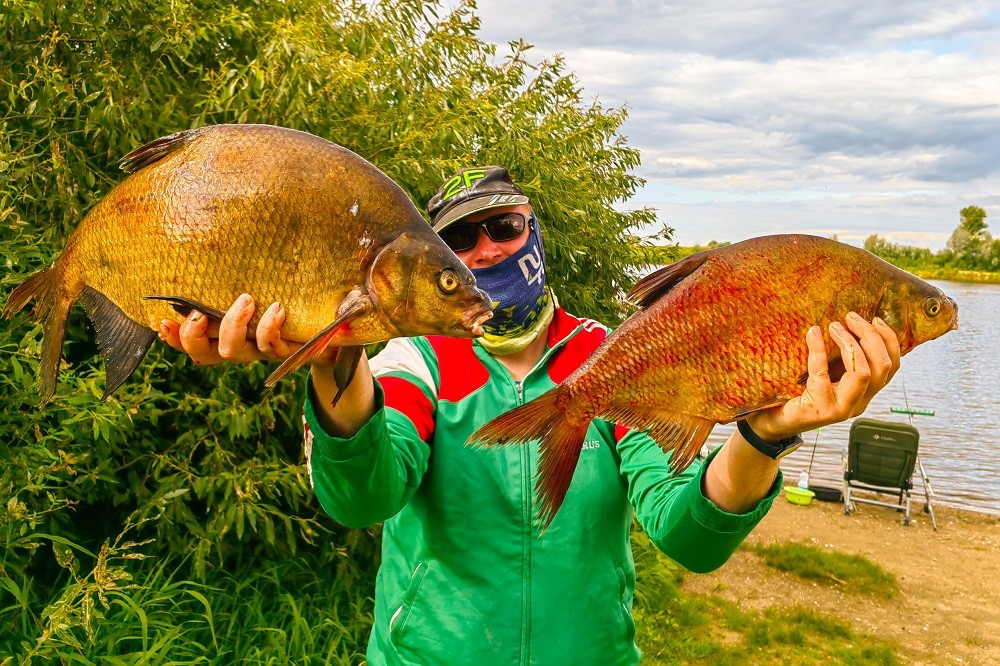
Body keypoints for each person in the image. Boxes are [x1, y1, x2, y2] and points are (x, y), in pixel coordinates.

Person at [160, 165, 900, 665]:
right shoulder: (415, 361)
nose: (487, 249)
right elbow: (364, 498)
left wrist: (769, 431)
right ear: (434, 260)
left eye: (504, 227)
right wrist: (336, 358)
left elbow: (688, 536)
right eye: (460, 240)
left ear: (534, 233)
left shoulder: (612, 360)